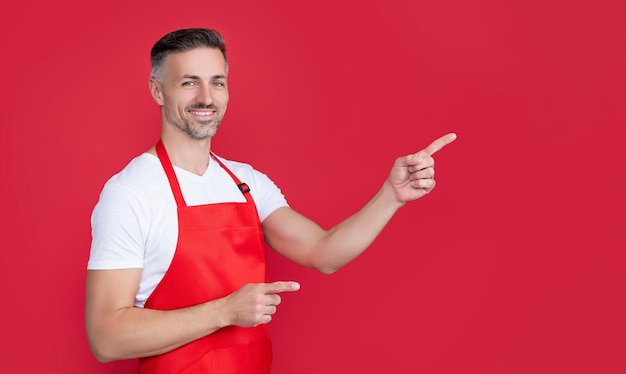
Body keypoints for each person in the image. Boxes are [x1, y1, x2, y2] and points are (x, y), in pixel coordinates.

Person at [85, 28, 457, 373]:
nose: (206, 98)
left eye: (218, 82)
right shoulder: (131, 193)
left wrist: (391, 196)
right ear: (157, 90)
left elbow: (323, 252)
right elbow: (106, 337)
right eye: (188, 83)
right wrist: (227, 311)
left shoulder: (246, 182)